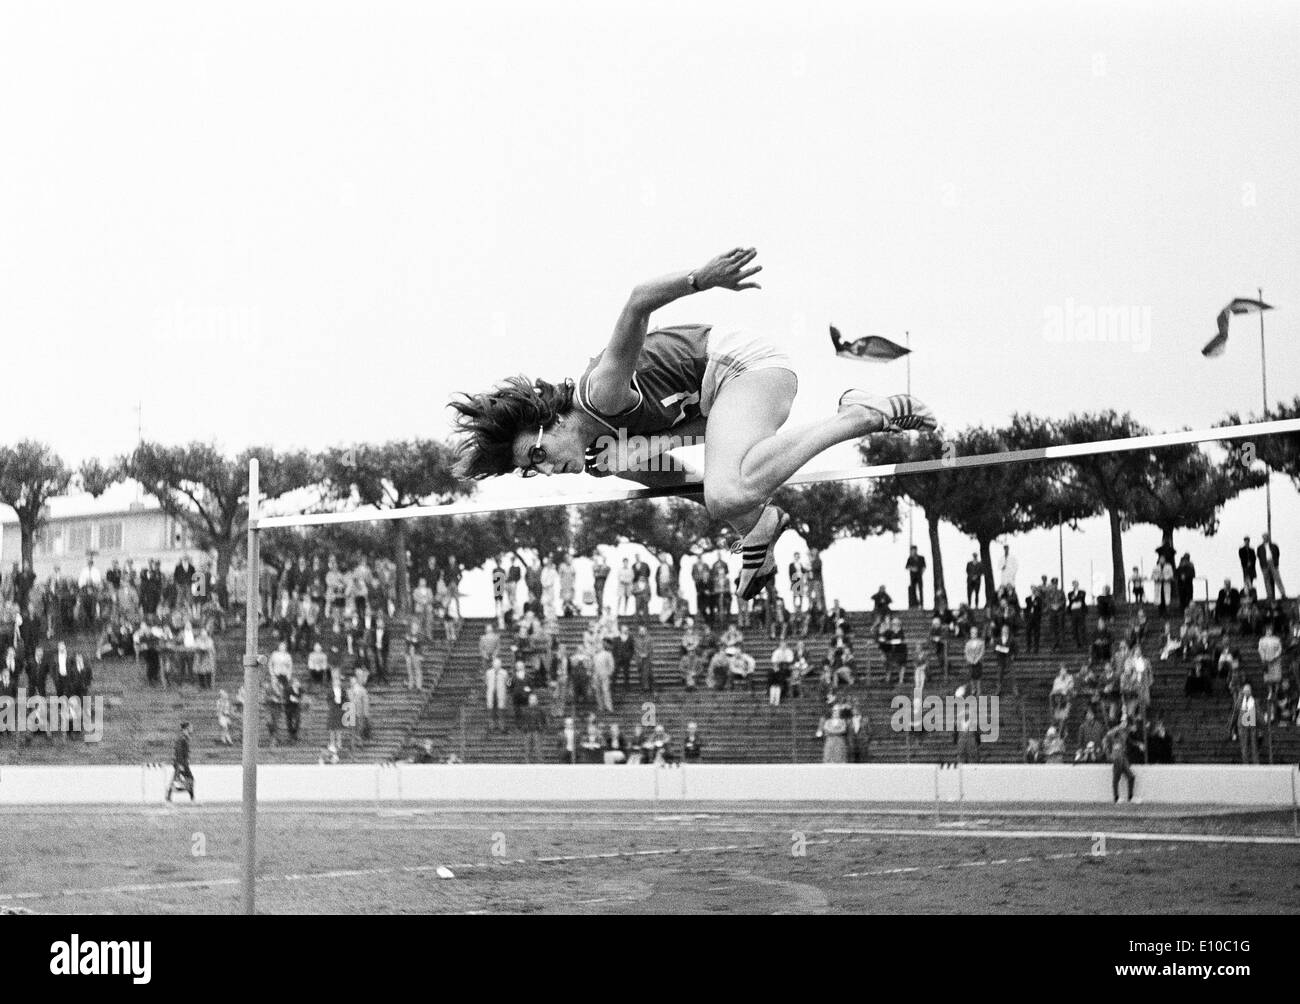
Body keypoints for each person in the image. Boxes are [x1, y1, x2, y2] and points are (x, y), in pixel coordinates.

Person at [448, 248, 935, 604]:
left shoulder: (600, 393)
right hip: (720, 402)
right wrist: (752, 528)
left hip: (742, 365)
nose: (549, 471)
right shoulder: (605, 458)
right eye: (533, 472)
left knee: (729, 491)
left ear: (546, 420)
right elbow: (688, 482)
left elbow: (638, 300)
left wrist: (701, 278)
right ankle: (760, 529)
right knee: (726, 494)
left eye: (538, 455)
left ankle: (861, 415)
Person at [1103, 719, 1137, 803]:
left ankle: (1130, 797)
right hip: (1117, 756)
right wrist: (1108, 753)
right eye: (1123, 722)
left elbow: (1129, 740)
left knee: (1131, 776)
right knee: (1116, 777)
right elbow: (1105, 739)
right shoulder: (1116, 730)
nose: (1124, 724)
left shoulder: (1125, 732)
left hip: (1123, 756)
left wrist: (1138, 744)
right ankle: (1116, 797)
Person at [165, 722, 195, 802]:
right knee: (189, 779)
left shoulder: (185, 738)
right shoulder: (181, 738)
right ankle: (191, 798)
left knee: (188, 779)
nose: (192, 729)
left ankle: (169, 795)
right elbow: (179, 752)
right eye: (190, 727)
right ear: (186, 729)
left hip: (182, 763)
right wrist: (181, 764)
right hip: (181, 763)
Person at [1257, 533, 1284, 602]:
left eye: (1266, 537)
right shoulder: (1260, 547)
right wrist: (1262, 564)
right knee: (1266, 580)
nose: (1265, 538)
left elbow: (1277, 553)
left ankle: (1283, 593)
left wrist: (1275, 562)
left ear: (1268, 538)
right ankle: (1269, 595)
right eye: (1264, 537)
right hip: (1264, 564)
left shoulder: (1273, 545)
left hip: (1272, 562)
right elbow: (1258, 555)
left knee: (1277, 578)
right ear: (1262, 538)